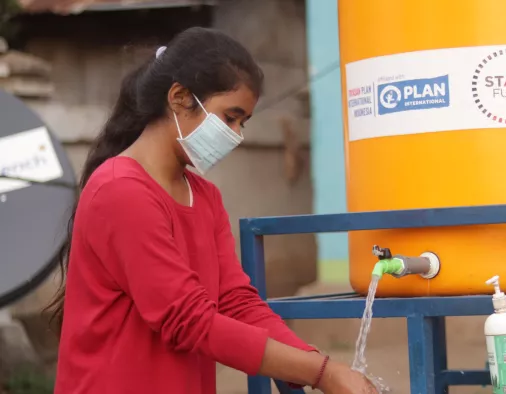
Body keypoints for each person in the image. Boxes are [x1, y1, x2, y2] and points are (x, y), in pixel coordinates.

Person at [46, 27, 377, 394]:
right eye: (229, 117)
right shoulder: (120, 191)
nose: (236, 134)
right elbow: (187, 319)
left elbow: (236, 302)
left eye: (243, 123)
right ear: (179, 98)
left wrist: (308, 361)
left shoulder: (204, 196)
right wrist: (322, 372)